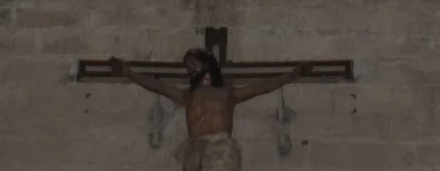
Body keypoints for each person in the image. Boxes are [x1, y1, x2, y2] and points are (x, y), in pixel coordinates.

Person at [110, 50, 305, 171]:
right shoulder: (188, 95)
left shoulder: (228, 93)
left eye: (194, 63)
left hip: (221, 150)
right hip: (196, 150)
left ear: (207, 64)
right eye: (188, 66)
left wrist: (291, 76)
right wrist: (129, 73)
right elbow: (158, 86)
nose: (190, 69)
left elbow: (260, 86)